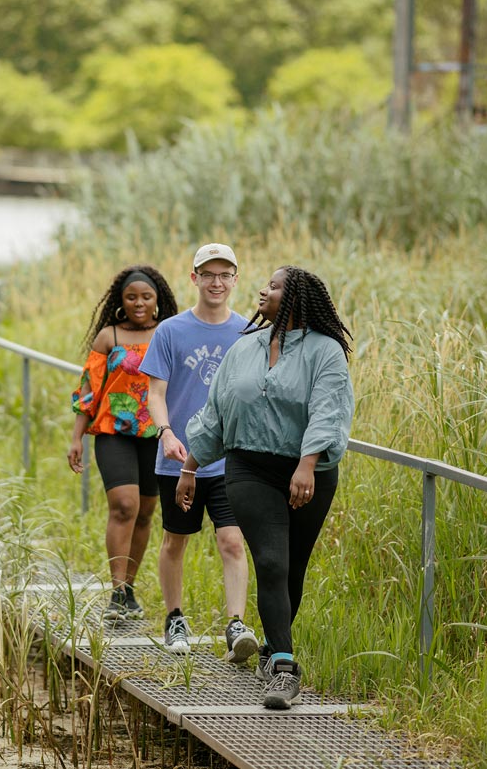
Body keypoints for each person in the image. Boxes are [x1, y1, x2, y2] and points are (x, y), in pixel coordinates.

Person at [182, 265, 354, 709]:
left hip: (308, 473)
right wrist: (190, 467)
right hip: (248, 468)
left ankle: (271, 648)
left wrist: (307, 464)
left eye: (274, 287)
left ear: (295, 299)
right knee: (272, 562)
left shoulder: (325, 351)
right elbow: (216, 410)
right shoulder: (245, 347)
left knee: (292, 569)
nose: (263, 290)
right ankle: (283, 666)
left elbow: (329, 410)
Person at [140, 243, 257, 659]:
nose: (216, 282)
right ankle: (175, 618)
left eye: (225, 275)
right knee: (176, 540)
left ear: (235, 280)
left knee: (231, 541)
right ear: (194, 278)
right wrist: (166, 433)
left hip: (230, 462)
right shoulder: (171, 331)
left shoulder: (248, 332)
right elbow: (155, 393)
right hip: (176, 459)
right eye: (208, 274)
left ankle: (236, 624)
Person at [68, 265, 179, 620]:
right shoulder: (108, 337)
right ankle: (117, 592)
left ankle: (129, 588)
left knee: (146, 511)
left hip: (155, 434)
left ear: (157, 300)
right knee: (124, 506)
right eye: (131, 297)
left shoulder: (168, 333)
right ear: (121, 300)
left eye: (146, 296)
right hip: (114, 432)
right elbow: (88, 391)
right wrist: (76, 438)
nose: (138, 303)